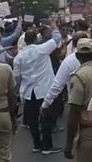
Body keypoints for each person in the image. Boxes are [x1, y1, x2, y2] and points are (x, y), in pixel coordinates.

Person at [13, 20, 62, 154]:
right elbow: (57, 38)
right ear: (35, 39)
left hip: (29, 92)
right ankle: (47, 146)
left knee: (33, 121)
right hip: (45, 89)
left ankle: (37, 144)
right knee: (47, 118)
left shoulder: (18, 58)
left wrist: (18, 91)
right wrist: (54, 26)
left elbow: (17, 77)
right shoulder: (42, 49)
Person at [41, 31, 92, 110]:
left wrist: (46, 104)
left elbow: (57, 85)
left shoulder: (69, 61)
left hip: (78, 105)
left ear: (73, 44)